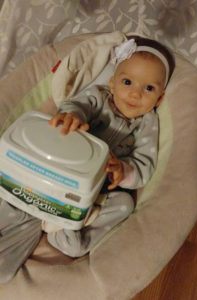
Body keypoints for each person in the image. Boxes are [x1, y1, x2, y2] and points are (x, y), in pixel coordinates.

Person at [0, 36, 175, 283]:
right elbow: (75, 105)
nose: (135, 93)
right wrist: (72, 117)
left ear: (159, 99)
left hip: (90, 198)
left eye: (148, 89)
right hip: (52, 177)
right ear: (112, 84)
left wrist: (122, 171)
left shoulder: (147, 125)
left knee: (125, 204)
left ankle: (68, 231)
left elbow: (144, 166)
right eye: (127, 82)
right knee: (12, 202)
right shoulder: (98, 98)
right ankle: (31, 209)